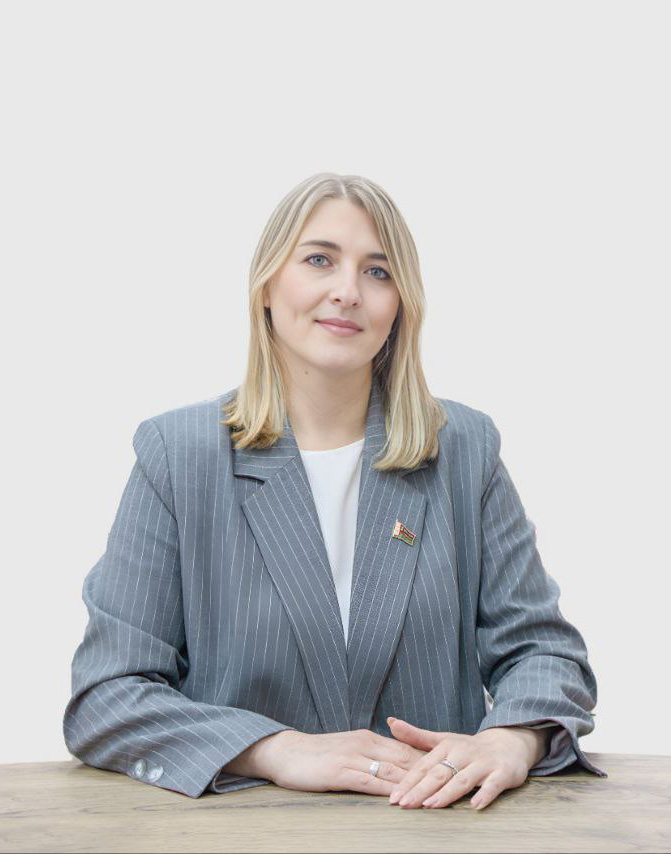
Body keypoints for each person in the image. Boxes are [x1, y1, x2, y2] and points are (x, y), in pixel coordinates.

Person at [63, 172, 606, 810]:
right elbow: (109, 694)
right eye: (319, 260)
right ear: (268, 284)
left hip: (437, 829)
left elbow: (546, 653)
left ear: (400, 304)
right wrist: (274, 748)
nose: (348, 291)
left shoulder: (464, 449)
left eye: (377, 272)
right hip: (239, 833)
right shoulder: (177, 456)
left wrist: (512, 740)